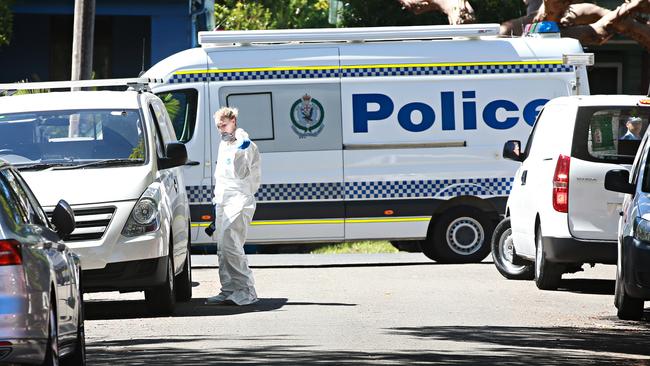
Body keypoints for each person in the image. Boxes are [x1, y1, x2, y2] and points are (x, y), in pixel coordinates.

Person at [206, 107, 261, 306]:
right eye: (218, 126)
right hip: (223, 201)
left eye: (225, 125)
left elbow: (240, 173)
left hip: (240, 200)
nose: (221, 129)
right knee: (222, 247)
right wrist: (216, 203)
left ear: (234, 121)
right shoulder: (224, 146)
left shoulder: (246, 145)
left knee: (231, 244)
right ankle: (229, 289)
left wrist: (241, 145)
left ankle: (246, 290)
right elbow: (221, 178)